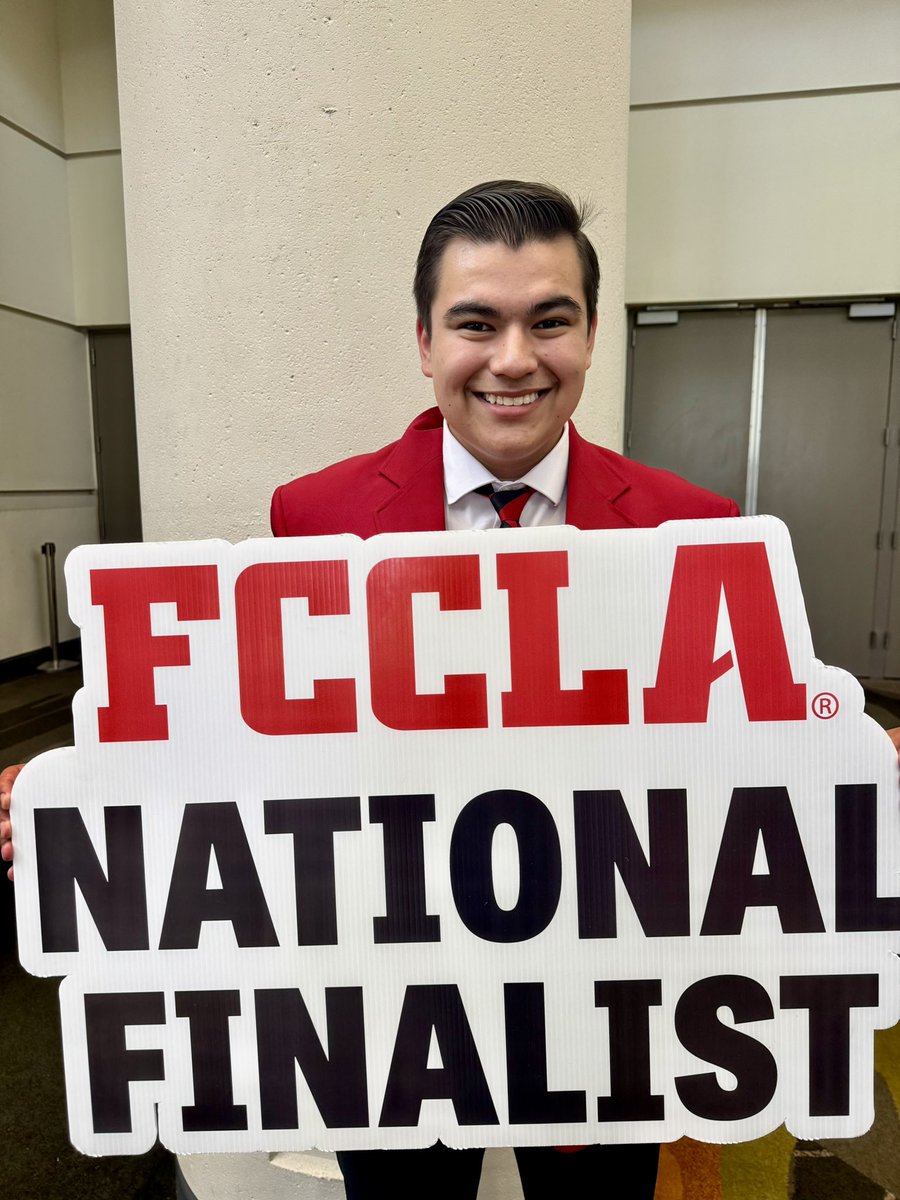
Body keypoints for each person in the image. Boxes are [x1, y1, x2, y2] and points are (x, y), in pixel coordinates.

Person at [5, 179, 886, 1196]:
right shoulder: (320, 514)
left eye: (548, 320)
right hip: (396, 991)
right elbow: (256, 743)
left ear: (591, 334)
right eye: (477, 322)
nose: (514, 358)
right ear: (426, 340)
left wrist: (852, 766)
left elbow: (731, 752)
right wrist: (88, 802)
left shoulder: (687, 523)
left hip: (605, 986)